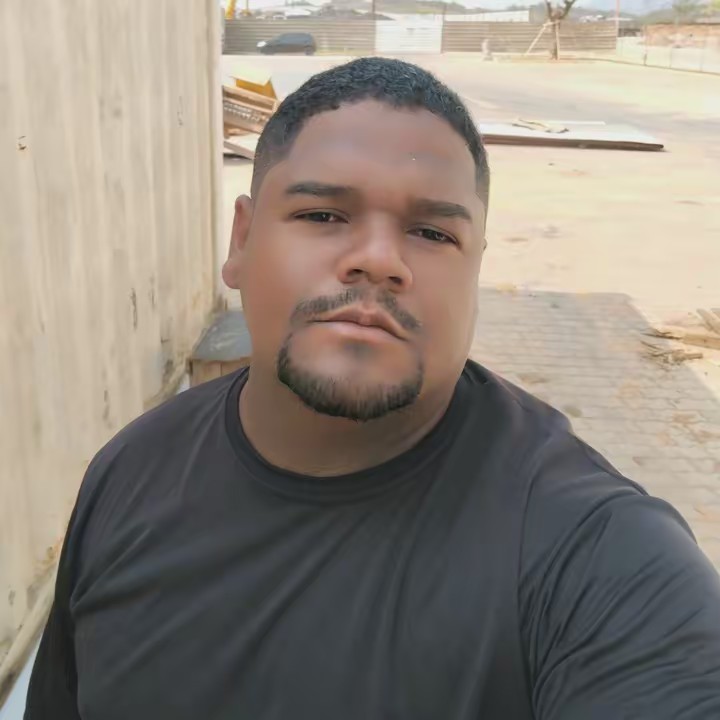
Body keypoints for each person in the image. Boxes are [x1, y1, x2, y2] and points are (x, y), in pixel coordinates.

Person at [25, 58, 720, 719]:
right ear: (241, 242)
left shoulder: (597, 551)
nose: (380, 260)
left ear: (475, 270)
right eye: (323, 215)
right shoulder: (130, 472)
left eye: (432, 233)